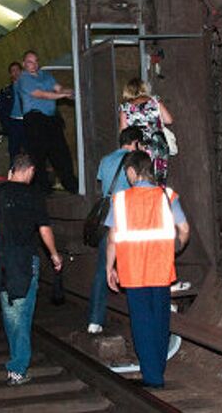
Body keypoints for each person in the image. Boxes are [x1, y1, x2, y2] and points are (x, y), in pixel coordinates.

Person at [105, 150, 189, 388]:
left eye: (127, 173)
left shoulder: (120, 200)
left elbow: (112, 238)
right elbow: (184, 229)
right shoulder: (167, 195)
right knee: (161, 321)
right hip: (161, 270)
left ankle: (153, 377)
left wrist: (109, 268)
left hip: (133, 271)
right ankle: (156, 368)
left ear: (132, 171)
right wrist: (175, 248)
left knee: (142, 323)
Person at [0, 154, 63, 386]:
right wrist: (54, 254)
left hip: (2, 259)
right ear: (29, 170)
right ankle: (17, 367)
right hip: (25, 260)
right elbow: (44, 229)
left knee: (10, 312)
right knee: (23, 312)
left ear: (12, 171)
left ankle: (16, 361)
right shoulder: (34, 194)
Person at [87, 126, 143, 335]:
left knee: (104, 267)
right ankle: (138, 314)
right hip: (128, 215)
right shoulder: (135, 160)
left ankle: (95, 320)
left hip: (108, 219)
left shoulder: (105, 160)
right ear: (136, 142)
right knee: (134, 265)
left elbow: (103, 184)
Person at [15, 50, 78, 194]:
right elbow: (41, 95)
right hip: (35, 120)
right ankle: (42, 188)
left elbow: (59, 88)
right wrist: (62, 95)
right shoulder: (24, 79)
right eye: (30, 62)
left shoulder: (46, 76)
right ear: (24, 64)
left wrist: (70, 92)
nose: (34, 64)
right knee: (38, 155)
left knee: (61, 152)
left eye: (36, 61)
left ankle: (71, 184)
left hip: (51, 119)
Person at [119, 78, 174, 185]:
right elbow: (169, 120)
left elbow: (124, 132)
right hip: (158, 145)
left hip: (139, 147)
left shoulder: (125, 108)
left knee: (142, 178)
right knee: (159, 179)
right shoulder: (154, 101)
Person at [0, 61, 27, 165]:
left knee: (30, 150)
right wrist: (7, 126)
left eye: (18, 70)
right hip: (13, 123)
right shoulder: (6, 91)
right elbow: (1, 110)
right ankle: (13, 176)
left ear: (22, 71)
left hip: (27, 122)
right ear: (10, 74)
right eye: (13, 71)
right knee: (14, 152)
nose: (16, 73)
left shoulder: (28, 87)